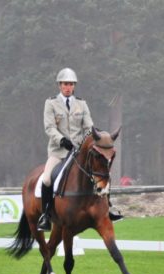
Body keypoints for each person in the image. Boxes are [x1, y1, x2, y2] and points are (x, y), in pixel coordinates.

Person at [37, 68, 123, 231]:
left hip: (78, 152)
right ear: (59, 86)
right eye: (64, 84)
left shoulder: (81, 104)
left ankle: (109, 208)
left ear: (74, 86)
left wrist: (97, 136)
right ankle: (46, 215)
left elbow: (89, 125)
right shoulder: (51, 103)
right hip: (58, 152)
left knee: (102, 173)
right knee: (47, 179)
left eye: (70, 84)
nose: (68, 87)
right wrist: (62, 140)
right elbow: (49, 128)